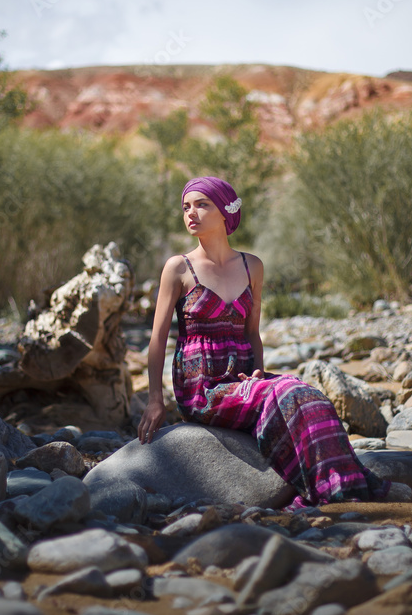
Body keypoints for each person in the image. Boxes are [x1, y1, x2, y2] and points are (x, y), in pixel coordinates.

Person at [138, 176, 391, 509]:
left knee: (307, 394)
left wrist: (258, 371)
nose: (191, 213)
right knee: (288, 394)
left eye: (202, 204)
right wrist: (156, 398)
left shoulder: (251, 265)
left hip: (244, 379)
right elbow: (157, 339)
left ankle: (338, 482)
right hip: (203, 388)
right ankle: (327, 487)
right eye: (186, 207)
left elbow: (251, 333)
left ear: (226, 213)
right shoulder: (178, 268)